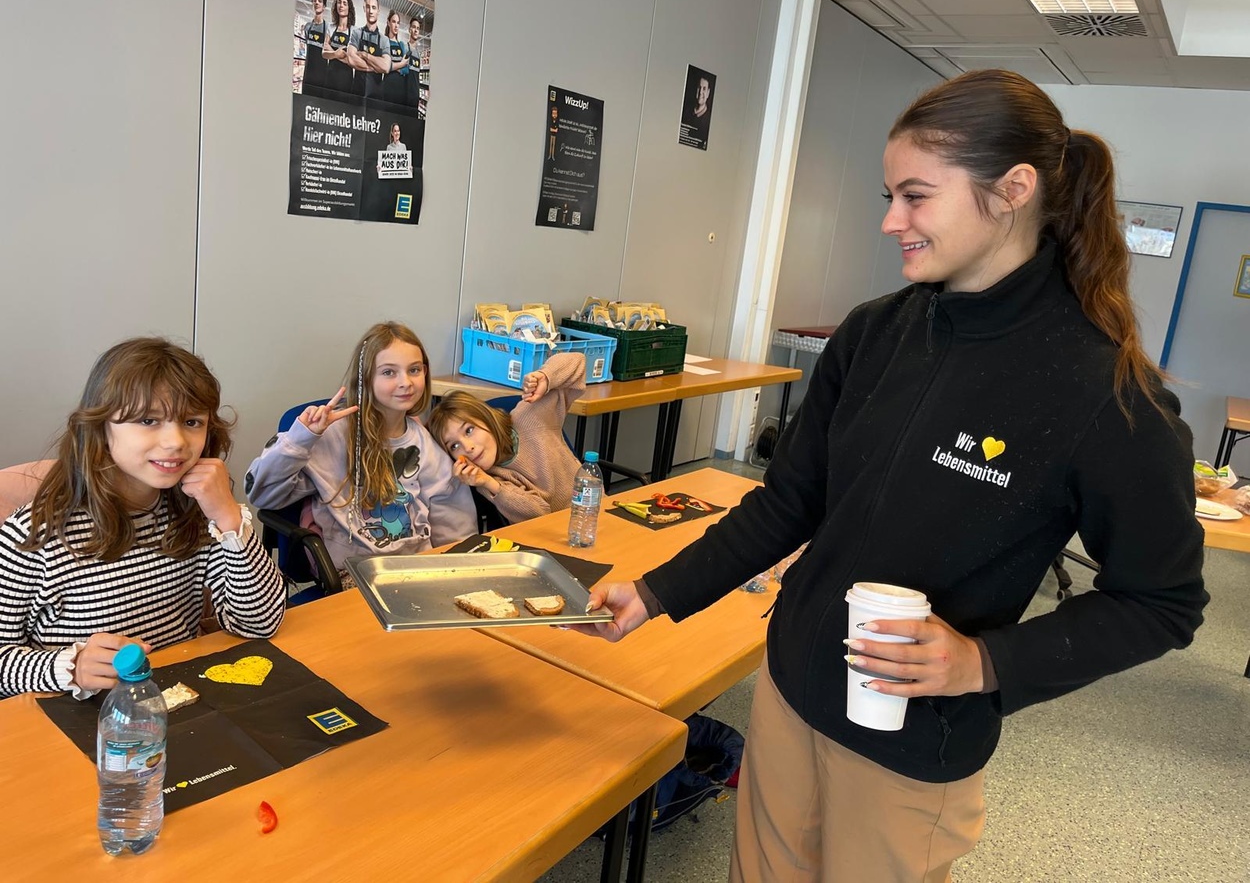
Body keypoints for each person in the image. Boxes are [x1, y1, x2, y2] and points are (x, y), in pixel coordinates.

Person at [576, 69, 1208, 880]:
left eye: (916, 197)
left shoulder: (1105, 392)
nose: (890, 221)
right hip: (791, 692)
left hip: (911, 747)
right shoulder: (874, 333)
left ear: (1013, 190)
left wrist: (984, 664)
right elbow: (789, 502)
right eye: (890, 196)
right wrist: (655, 591)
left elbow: (1161, 603)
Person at [0, 338, 286, 699]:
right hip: (81, 717)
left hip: (177, 701)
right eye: (148, 420)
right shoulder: (33, 535)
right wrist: (69, 667)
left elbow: (260, 622)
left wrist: (229, 519)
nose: (175, 442)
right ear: (101, 427)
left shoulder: (197, 511)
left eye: (192, 421)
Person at [246, 322, 476, 575]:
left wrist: (456, 573)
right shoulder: (331, 435)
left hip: (413, 569)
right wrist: (302, 438)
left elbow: (455, 525)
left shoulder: (425, 444)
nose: (406, 382)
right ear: (365, 378)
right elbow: (262, 494)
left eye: (414, 370)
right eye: (389, 372)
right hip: (351, 571)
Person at [427, 353, 586, 524]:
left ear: (486, 418)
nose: (467, 447)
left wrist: (545, 377)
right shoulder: (488, 477)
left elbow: (578, 362)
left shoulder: (529, 417)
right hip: (554, 532)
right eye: (454, 446)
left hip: (592, 514)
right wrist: (489, 483)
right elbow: (539, 513)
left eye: (469, 430)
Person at [347, 0, 389, 100]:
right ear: (364, 9)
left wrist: (365, 55)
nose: (370, 11)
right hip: (357, 93)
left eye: (374, 7)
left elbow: (385, 67)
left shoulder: (384, 40)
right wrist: (375, 67)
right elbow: (351, 59)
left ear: (378, 11)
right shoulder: (356, 33)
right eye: (368, 7)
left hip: (376, 96)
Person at [321, 0, 357, 99]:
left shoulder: (354, 31)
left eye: (344, 3)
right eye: (339, 2)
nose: (341, 5)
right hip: (330, 76)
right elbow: (324, 53)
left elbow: (352, 61)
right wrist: (337, 54)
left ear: (349, 8)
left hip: (345, 79)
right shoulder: (331, 27)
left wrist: (331, 52)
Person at [301, 0, 330, 98]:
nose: (316, 3)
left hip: (321, 78)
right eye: (314, 0)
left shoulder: (327, 28)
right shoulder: (307, 27)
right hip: (307, 75)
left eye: (320, 1)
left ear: (324, 6)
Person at [382, 10, 412, 109]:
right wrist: (400, 65)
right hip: (387, 88)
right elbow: (383, 67)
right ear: (388, 23)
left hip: (400, 89)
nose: (396, 26)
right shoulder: (384, 42)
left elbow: (406, 69)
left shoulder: (401, 45)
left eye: (398, 23)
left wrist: (392, 67)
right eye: (393, 22)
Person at [405, 16, 424, 112]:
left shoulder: (419, 54)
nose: (416, 30)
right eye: (413, 27)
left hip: (415, 98)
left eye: (418, 28)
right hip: (404, 97)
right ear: (409, 30)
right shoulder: (405, 48)